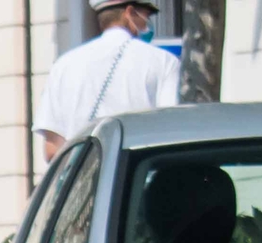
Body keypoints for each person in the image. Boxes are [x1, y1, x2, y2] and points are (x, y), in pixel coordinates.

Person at [33, 0, 180, 162]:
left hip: (85, 180)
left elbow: (52, 150)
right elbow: (171, 132)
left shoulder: (62, 67)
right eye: (145, 18)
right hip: (136, 179)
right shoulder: (164, 62)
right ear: (129, 13)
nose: (147, 26)